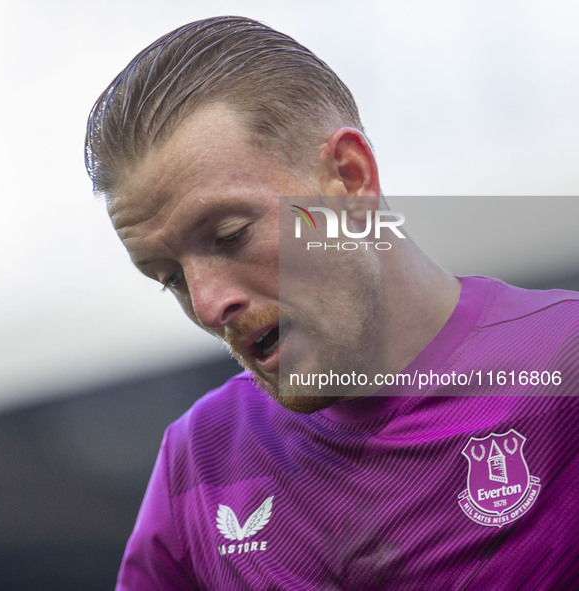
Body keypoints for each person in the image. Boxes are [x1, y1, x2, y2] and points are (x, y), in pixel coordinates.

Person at [85, 16, 579, 590]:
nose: (208, 304)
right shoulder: (201, 462)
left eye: (230, 236)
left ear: (349, 178)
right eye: (170, 278)